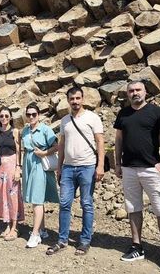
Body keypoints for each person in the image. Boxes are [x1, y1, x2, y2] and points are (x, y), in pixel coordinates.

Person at [113, 81, 160, 272]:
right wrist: (117, 163)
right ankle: (137, 246)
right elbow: (118, 140)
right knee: (133, 208)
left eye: (138, 90)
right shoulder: (123, 113)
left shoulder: (156, 112)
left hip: (151, 169)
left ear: (145, 92)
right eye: (131, 91)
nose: (134, 93)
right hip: (129, 168)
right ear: (127, 94)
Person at [47, 86, 105, 256]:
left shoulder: (93, 118)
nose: (75, 102)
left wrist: (100, 166)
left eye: (78, 98)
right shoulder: (65, 120)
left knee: (86, 204)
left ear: (83, 99)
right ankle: (62, 239)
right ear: (68, 101)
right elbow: (62, 144)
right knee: (64, 204)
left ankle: (85, 240)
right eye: (72, 99)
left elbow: (100, 142)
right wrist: (59, 167)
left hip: (87, 166)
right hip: (68, 168)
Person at [20, 103, 58, 248]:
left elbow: (56, 146)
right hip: (29, 165)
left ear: (38, 115)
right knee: (36, 198)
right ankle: (42, 230)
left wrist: (44, 153)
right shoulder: (25, 130)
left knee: (37, 199)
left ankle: (35, 234)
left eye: (33, 114)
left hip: (40, 165)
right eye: (28, 114)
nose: (31, 117)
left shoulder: (45, 129)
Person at [0, 106, 24, 241]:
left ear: (10, 117)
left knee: (13, 195)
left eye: (6, 116)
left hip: (11, 165)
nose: (4, 118)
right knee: (2, 195)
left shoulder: (15, 132)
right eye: (2, 116)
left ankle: (15, 226)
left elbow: (19, 150)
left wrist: (18, 168)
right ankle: (8, 224)